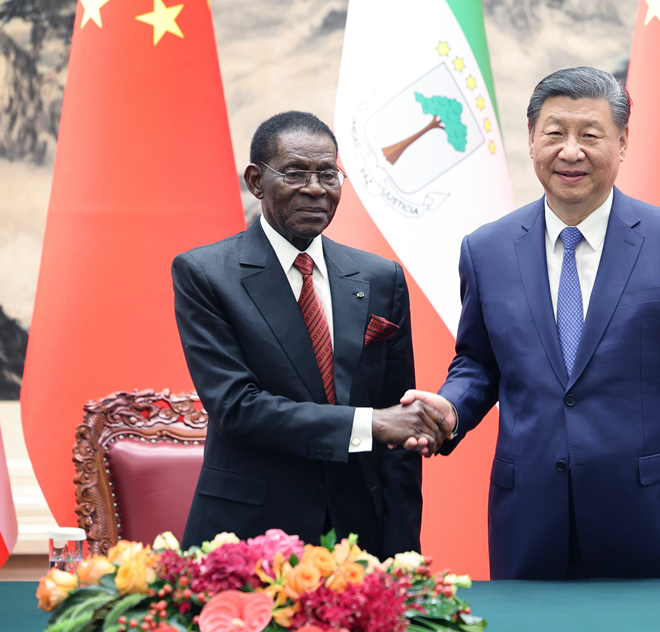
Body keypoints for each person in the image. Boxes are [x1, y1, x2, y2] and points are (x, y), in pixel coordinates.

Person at [401, 67, 660, 580]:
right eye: (555, 133)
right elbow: (479, 362)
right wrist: (450, 408)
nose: (570, 151)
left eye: (590, 135)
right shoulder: (486, 249)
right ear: (531, 138)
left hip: (656, 517)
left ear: (622, 142)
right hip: (531, 519)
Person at [173, 111, 452, 558]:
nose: (316, 188)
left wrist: (403, 556)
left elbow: (400, 430)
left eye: (328, 174)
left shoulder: (381, 278)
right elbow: (237, 408)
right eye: (295, 173)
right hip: (246, 540)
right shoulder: (205, 273)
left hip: (357, 538)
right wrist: (370, 423)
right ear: (255, 181)